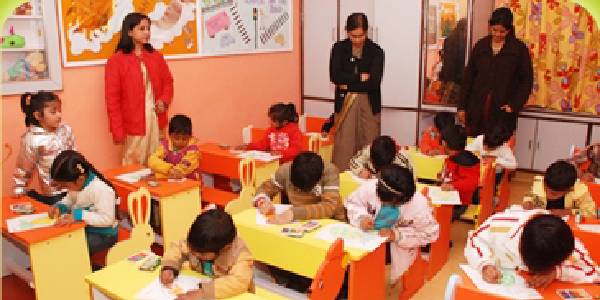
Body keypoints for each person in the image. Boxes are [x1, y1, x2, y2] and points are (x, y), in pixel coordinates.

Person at [346, 165, 439, 284]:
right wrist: (361, 218)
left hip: (394, 246)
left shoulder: (418, 205)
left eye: (391, 204)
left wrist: (397, 235)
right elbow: (353, 203)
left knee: (371, 264)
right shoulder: (371, 187)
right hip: (367, 236)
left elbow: (430, 234)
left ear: (401, 200)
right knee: (351, 260)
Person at [105, 12, 174, 165]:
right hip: (133, 125)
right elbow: (112, 100)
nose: (147, 32)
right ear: (129, 31)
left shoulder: (155, 56)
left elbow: (168, 82)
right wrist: (118, 130)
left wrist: (164, 100)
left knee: (158, 163)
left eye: (148, 28)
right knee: (134, 167)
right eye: (142, 29)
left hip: (156, 120)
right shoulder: (116, 61)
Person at [465, 208, 598, 287]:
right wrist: (484, 264)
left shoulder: (565, 244)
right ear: (521, 243)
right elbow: (474, 239)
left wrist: (557, 272)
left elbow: (595, 273)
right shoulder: (499, 225)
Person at [458, 7, 533, 136]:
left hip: (502, 111)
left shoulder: (518, 49)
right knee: (473, 147)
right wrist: (462, 107)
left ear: (509, 30)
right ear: (489, 26)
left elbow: (526, 80)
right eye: (494, 30)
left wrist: (514, 105)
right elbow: (468, 77)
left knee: (498, 149)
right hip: (476, 108)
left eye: (502, 32)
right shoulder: (481, 46)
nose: (497, 34)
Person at [330, 12, 385, 170]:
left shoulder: (376, 51)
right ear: (347, 32)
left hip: (368, 103)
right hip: (345, 104)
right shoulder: (339, 48)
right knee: (344, 145)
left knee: (368, 144)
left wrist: (347, 84)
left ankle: (369, 188)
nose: (357, 40)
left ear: (367, 32)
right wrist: (359, 77)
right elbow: (335, 76)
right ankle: (342, 184)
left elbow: (374, 83)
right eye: (353, 36)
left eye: (361, 36)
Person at [160, 209, 254, 299]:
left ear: (225, 248)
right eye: (192, 248)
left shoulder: (241, 256)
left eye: (201, 254)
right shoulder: (198, 242)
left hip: (228, 294)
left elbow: (239, 282)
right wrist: (170, 267)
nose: (194, 253)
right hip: (197, 281)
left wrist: (203, 293)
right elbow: (178, 248)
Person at [48, 150, 118, 256]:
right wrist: (60, 206)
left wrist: (79, 215)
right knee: (59, 243)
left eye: (65, 185)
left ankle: (86, 270)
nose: (64, 188)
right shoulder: (77, 185)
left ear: (80, 179)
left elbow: (107, 219)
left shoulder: (101, 189)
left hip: (104, 234)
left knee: (73, 249)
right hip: (84, 228)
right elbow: (70, 199)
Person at [13, 91, 76, 205]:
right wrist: (19, 186)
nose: (59, 115)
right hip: (54, 193)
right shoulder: (32, 139)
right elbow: (24, 167)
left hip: (73, 187)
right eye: (53, 112)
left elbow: (75, 155)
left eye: (59, 111)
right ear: (38, 116)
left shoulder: (65, 129)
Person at [253, 152, 344, 224]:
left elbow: (329, 207)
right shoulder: (285, 170)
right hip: (300, 223)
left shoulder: (329, 171)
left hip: (332, 220)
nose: (300, 191)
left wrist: (294, 213)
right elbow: (265, 188)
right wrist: (262, 201)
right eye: (297, 189)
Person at [523, 160, 596, 218]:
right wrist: (528, 201)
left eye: (554, 194)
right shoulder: (539, 182)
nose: (548, 195)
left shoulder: (580, 192)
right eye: (545, 188)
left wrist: (569, 212)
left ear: (568, 190)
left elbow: (590, 213)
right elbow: (529, 194)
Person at [440, 124, 480, 219]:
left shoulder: (467, 161)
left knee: (439, 216)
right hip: (448, 197)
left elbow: (472, 183)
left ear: (444, 143)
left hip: (460, 202)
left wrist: (453, 185)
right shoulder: (453, 157)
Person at [148, 114, 200, 180]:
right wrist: (168, 169)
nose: (180, 141)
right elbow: (152, 160)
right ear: (170, 135)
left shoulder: (193, 151)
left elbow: (181, 171)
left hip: (190, 184)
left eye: (184, 139)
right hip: (170, 181)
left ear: (190, 136)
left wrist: (158, 175)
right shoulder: (165, 146)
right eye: (176, 138)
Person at [439, 18, 467, 105]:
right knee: (449, 104)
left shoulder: (451, 38)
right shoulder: (459, 40)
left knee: (446, 105)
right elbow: (452, 62)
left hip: (450, 78)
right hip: (454, 80)